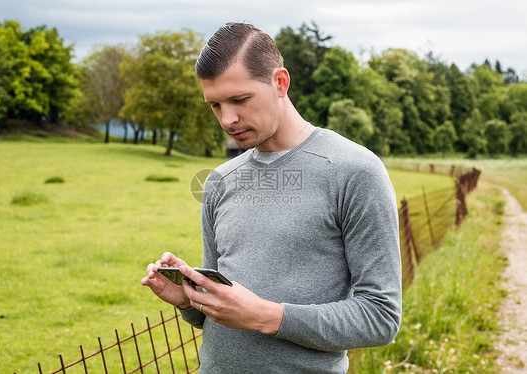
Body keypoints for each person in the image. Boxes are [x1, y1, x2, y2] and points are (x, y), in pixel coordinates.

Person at [141, 22, 402, 373]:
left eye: (239, 99)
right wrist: (190, 300)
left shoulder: (355, 171)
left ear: (280, 83)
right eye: (215, 105)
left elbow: (380, 316)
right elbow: (221, 309)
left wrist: (269, 316)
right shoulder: (219, 181)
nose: (228, 119)